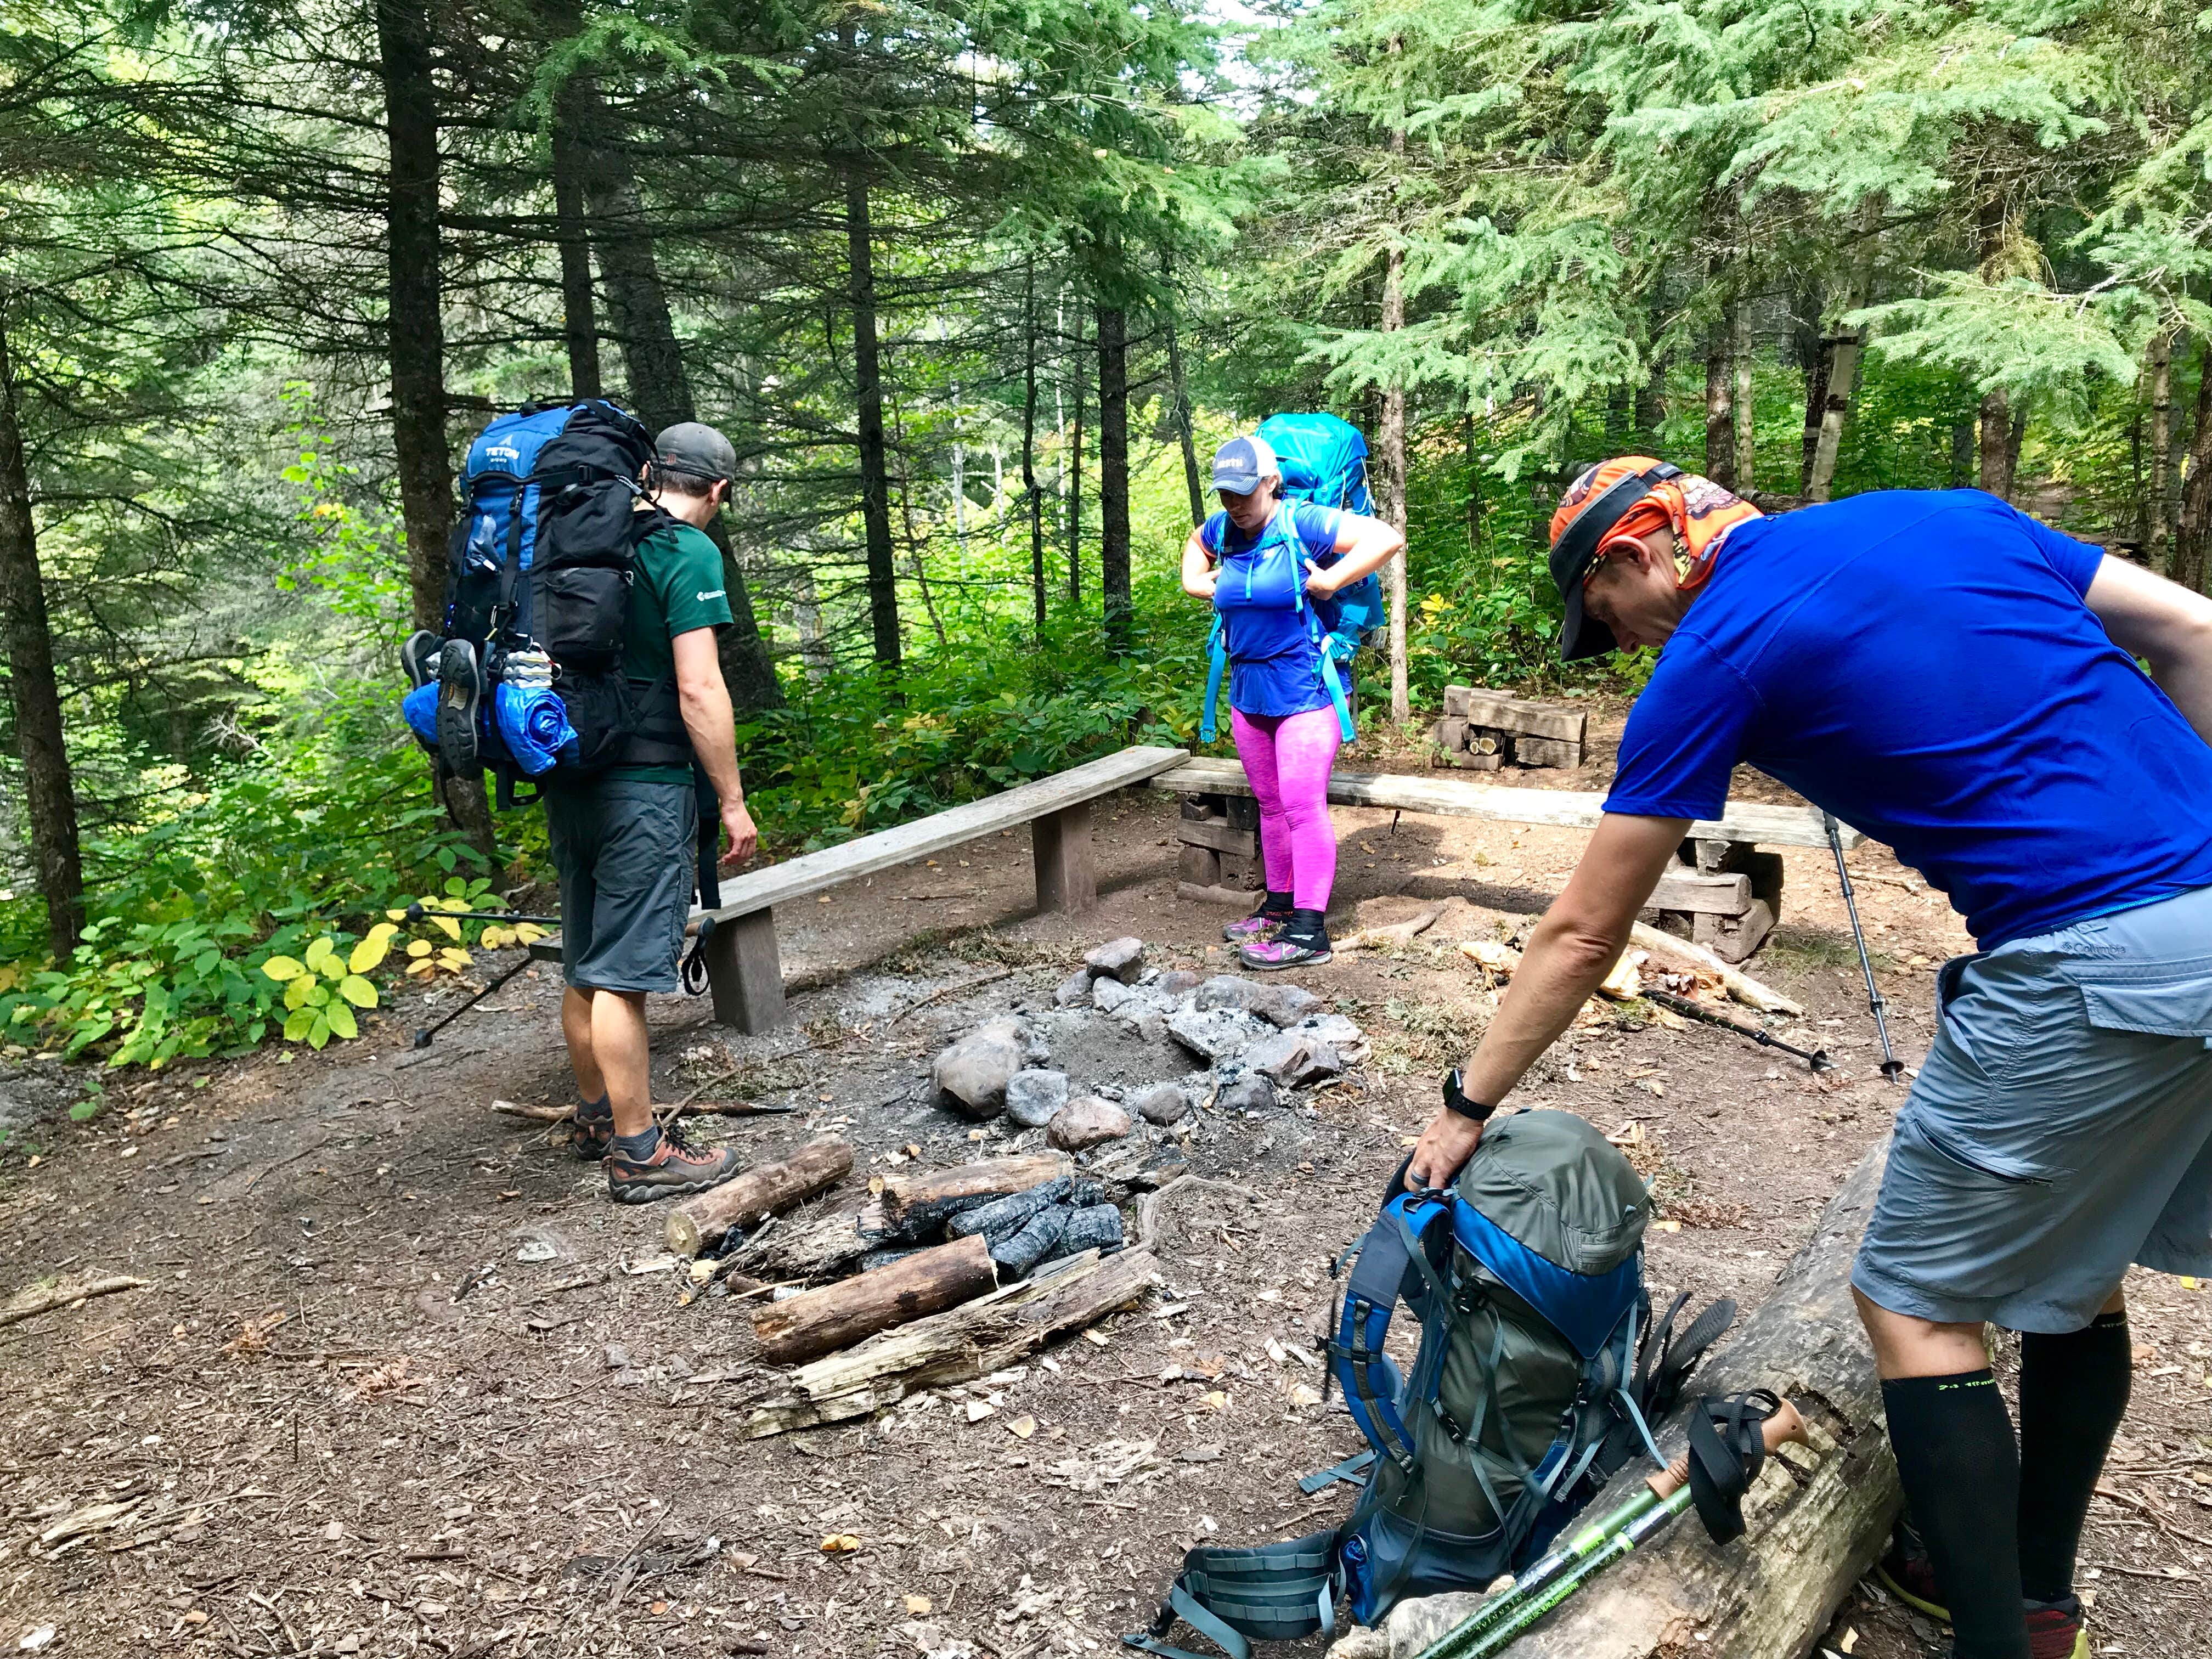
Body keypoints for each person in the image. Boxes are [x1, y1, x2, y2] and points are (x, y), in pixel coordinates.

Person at [1400, 456, 2212, 1659]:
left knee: (1915, 1307)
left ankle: (2011, 1642)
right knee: (2075, 1270)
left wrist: (1466, 1102)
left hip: (2086, 958)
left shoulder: (1718, 647)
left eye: (1606, 619)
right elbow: (2195, 631)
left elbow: (1582, 932)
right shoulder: (1947, 514)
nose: (1619, 644)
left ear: (1635, 555)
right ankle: (2023, 1588)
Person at [551, 421, 761, 1204]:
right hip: (645, 785)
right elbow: (699, 689)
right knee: (624, 976)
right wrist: (732, 800)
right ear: (717, 490)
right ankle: (639, 1151)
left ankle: (597, 1115)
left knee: (585, 956)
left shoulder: (582, 541)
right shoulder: (685, 551)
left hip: (571, 774)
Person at [1182, 433, 1404, 969]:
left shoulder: (1301, 521)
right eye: (1225, 493)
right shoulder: (1224, 530)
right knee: (1271, 805)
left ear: (1270, 483)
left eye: (1243, 492)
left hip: (1305, 692)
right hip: (1248, 694)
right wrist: (1197, 583)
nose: (1233, 503)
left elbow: (1386, 537)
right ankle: (1279, 907)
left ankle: (1309, 931)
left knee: (1303, 807)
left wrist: (1331, 579)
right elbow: (1196, 546)